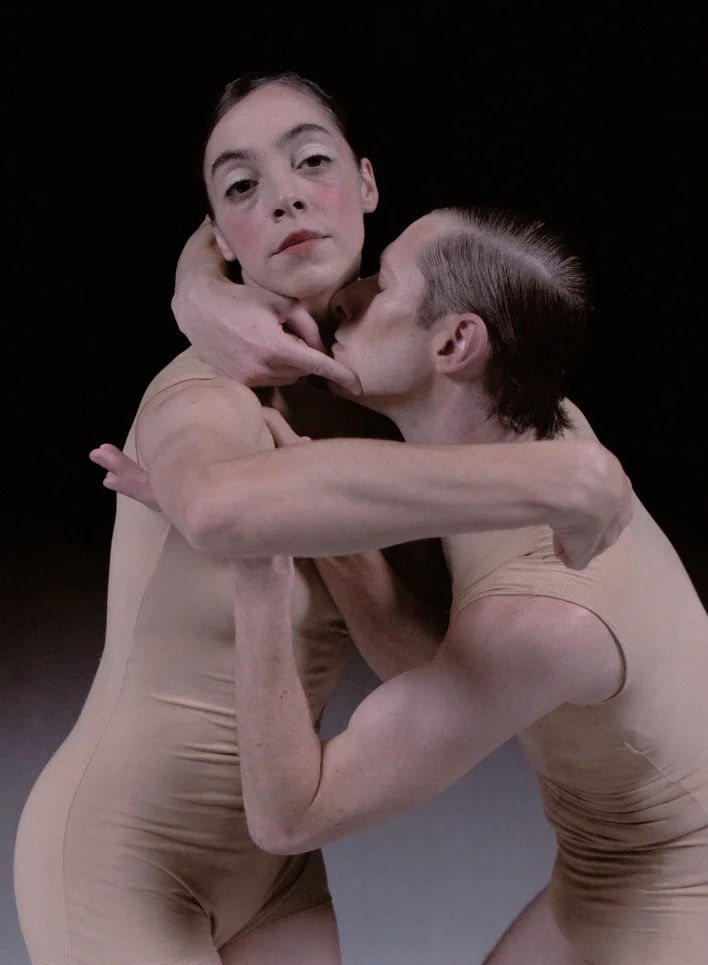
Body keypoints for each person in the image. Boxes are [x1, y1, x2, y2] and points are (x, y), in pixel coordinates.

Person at [14, 73, 630, 965]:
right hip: (121, 853)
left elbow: (421, 666)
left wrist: (346, 548)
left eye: (311, 161)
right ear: (223, 237)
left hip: (275, 868)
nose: (288, 195)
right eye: (242, 188)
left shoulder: (395, 394)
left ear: (369, 184)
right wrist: (546, 478)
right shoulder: (205, 395)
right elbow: (220, 510)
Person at [169, 207, 708, 964]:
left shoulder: (547, 617)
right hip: (597, 871)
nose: (344, 297)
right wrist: (195, 285)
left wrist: (263, 563)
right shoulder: (525, 437)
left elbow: (290, 817)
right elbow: (432, 666)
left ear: (456, 343)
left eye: (379, 284)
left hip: (700, 903)